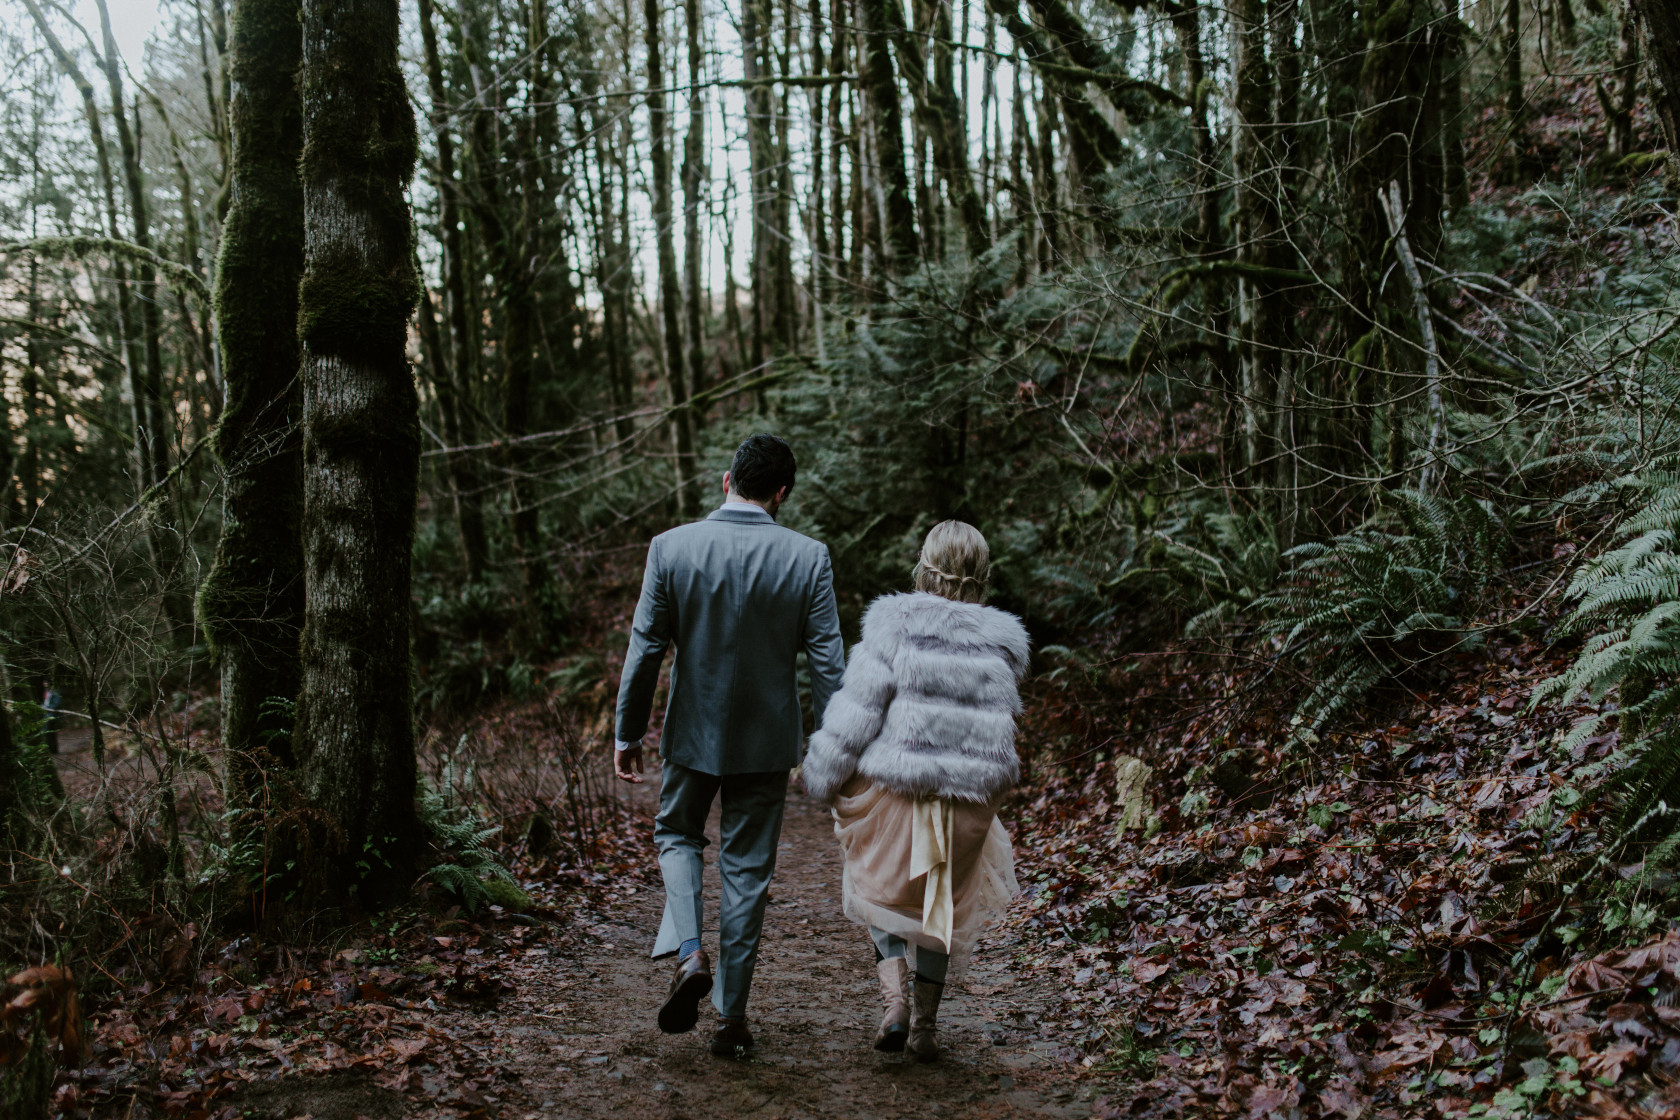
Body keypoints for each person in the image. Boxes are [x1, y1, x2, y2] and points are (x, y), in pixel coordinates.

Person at [613, 434, 846, 1057]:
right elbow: (829, 667)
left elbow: (645, 651)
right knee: (747, 873)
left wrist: (628, 733)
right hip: (767, 744)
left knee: (676, 833)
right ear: (781, 494)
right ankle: (732, 1019)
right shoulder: (809, 558)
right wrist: (836, 754)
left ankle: (690, 953)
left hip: (691, 733)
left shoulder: (672, 548)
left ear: (726, 481)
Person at [801, 520, 1027, 1061]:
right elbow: (1002, 736)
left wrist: (823, 774)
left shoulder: (893, 625)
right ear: (981, 574)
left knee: (877, 888)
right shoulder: (1001, 643)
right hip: (966, 803)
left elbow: (855, 715)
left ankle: (894, 1003)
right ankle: (926, 1029)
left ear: (924, 565)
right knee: (938, 908)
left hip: (899, 792)